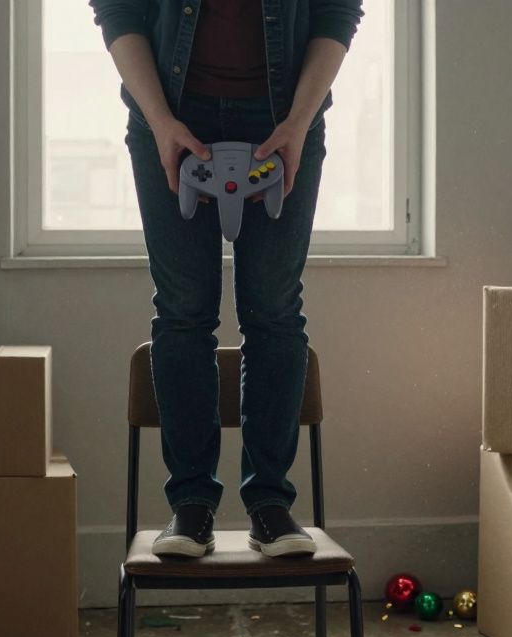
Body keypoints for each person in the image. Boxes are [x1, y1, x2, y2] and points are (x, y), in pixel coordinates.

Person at [89, 0, 363, 558]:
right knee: (183, 310)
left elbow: (337, 13)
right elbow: (118, 11)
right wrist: (162, 123)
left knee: (275, 309)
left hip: (286, 119)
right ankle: (190, 506)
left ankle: (270, 506)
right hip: (167, 114)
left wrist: (298, 122)